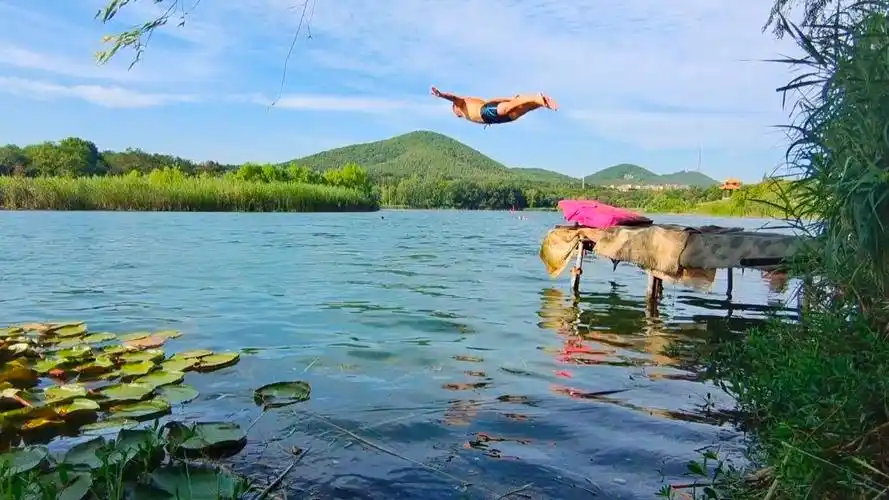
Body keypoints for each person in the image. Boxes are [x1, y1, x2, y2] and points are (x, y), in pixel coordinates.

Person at [430, 86, 558, 126]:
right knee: (519, 111)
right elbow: (492, 100)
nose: (455, 114)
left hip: (486, 112)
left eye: (454, 111)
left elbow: (453, 98)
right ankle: (538, 102)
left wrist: (441, 95)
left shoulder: (462, 104)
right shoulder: (468, 111)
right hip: (493, 118)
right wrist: (510, 99)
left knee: (507, 109)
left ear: (456, 108)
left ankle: (536, 97)